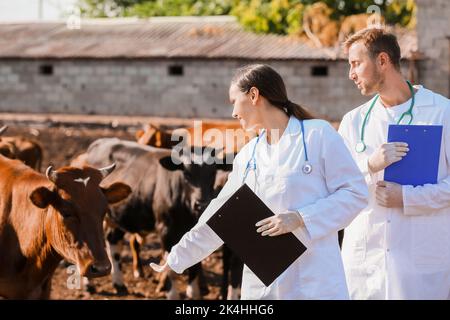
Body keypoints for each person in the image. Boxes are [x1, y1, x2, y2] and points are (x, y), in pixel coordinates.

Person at [151, 64, 368, 299]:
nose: (233, 112)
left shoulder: (317, 135)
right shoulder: (248, 154)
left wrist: (301, 218)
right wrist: (177, 257)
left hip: (314, 281)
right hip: (264, 285)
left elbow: (355, 193)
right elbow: (221, 214)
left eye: (234, 101)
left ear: (254, 95)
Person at [339, 27, 450, 300]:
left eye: (356, 64)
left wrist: (408, 197)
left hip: (420, 260)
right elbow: (335, 187)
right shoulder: (353, 121)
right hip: (364, 263)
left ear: (382, 61)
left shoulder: (441, 112)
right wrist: (369, 164)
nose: (350, 74)